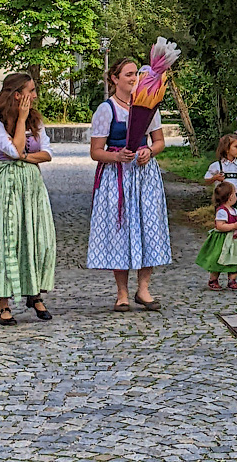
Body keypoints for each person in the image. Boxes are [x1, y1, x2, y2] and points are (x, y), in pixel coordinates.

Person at [0, 73, 56, 325]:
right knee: (6, 239)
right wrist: (21, 122)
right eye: (31, 90)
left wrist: (25, 158)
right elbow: (14, 150)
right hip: (7, 184)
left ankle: (34, 294)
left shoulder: (36, 121)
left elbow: (47, 153)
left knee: (36, 237)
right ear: (18, 94)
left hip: (32, 185)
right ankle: (3, 304)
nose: (35, 95)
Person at [86, 56, 171, 312]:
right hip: (117, 177)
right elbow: (95, 151)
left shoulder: (147, 104)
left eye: (136, 74)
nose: (134, 78)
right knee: (120, 230)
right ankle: (122, 292)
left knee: (148, 227)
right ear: (114, 79)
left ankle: (143, 289)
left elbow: (159, 142)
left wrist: (149, 152)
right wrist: (116, 156)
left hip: (144, 176)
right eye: (128, 74)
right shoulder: (106, 109)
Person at [195, 180, 237, 290]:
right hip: (222, 240)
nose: (236, 196)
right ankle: (213, 279)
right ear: (229, 197)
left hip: (233, 239)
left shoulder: (234, 210)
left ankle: (232, 280)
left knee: (234, 258)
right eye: (234, 194)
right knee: (218, 258)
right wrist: (234, 226)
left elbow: (236, 222)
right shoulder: (222, 211)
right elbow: (220, 225)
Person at [204, 134, 237, 215]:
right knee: (223, 221)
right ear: (227, 149)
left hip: (236, 200)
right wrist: (215, 178)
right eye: (236, 147)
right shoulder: (217, 166)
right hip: (222, 200)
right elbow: (206, 181)